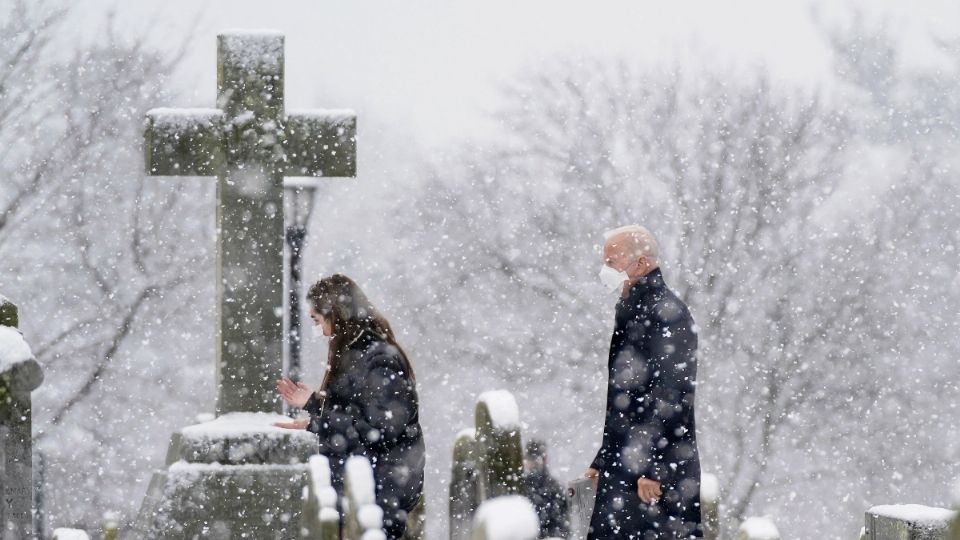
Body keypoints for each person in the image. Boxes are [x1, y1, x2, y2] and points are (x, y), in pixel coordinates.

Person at [274, 274, 425, 539]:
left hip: (381, 490)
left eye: (319, 321)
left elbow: (381, 430)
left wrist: (318, 422)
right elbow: (356, 413)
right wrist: (313, 404)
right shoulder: (358, 354)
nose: (321, 331)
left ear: (337, 315)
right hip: (369, 488)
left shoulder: (377, 359)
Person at [585, 225, 702, 539]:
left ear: (639, 263)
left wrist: (654, 467)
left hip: (653, 471)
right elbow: (625, 401)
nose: (604, 270)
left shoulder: (668, 314)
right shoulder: (633, 311)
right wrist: (605, 457)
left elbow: (672, 396)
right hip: (627, 464)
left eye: (612, 262)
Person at [522, 439, 570, 539]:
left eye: (536, 459)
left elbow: (562, 527)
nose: (533, 463)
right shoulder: (522, 487)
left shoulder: (555, 488)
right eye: (530, 459)